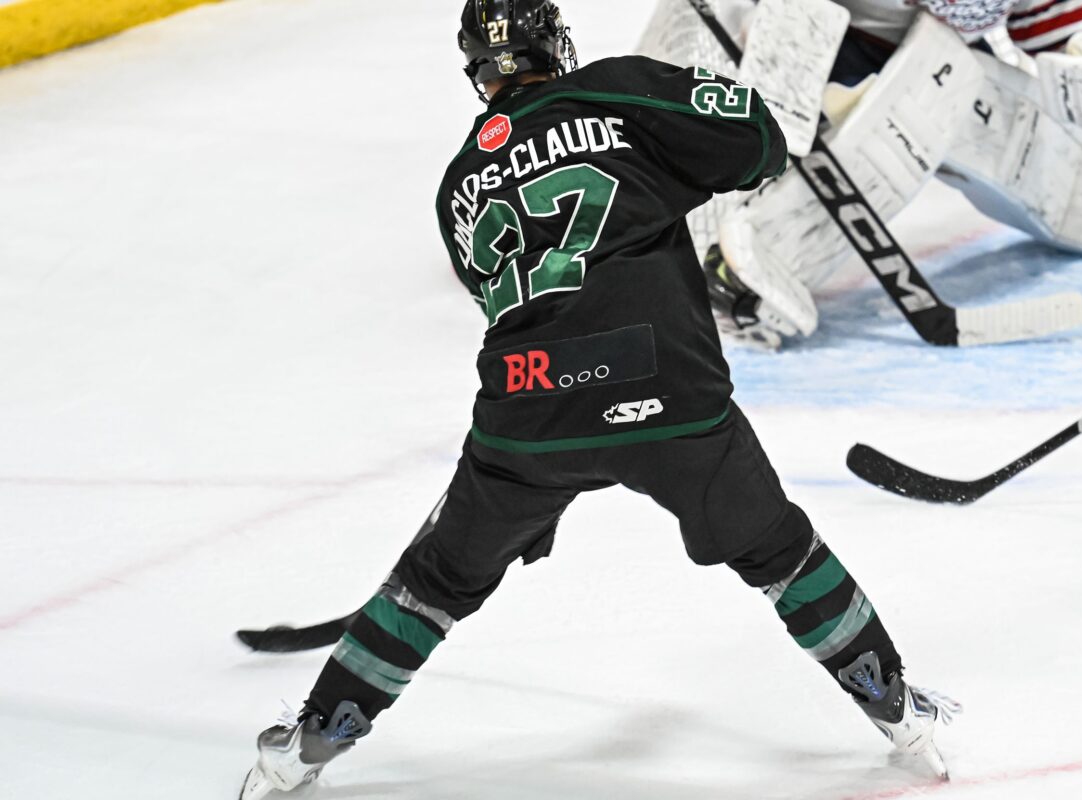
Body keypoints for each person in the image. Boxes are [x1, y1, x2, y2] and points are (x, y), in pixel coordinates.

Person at [237, 2, 957, 797]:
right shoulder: (615, 93)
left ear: (476, 69)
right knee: (780, 552)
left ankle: (306, 745)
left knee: (435, 584)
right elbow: (758, 142)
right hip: (667, 392)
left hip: (527, 413)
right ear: (554, 41)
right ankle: (896, 710)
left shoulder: (458, 187)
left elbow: (516, 307)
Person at [636, 0, 1082, 348]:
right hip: (726, 41)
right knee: (660, 248)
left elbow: (1055, 27)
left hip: (891, 48)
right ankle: (746, 242)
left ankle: (758, 252)